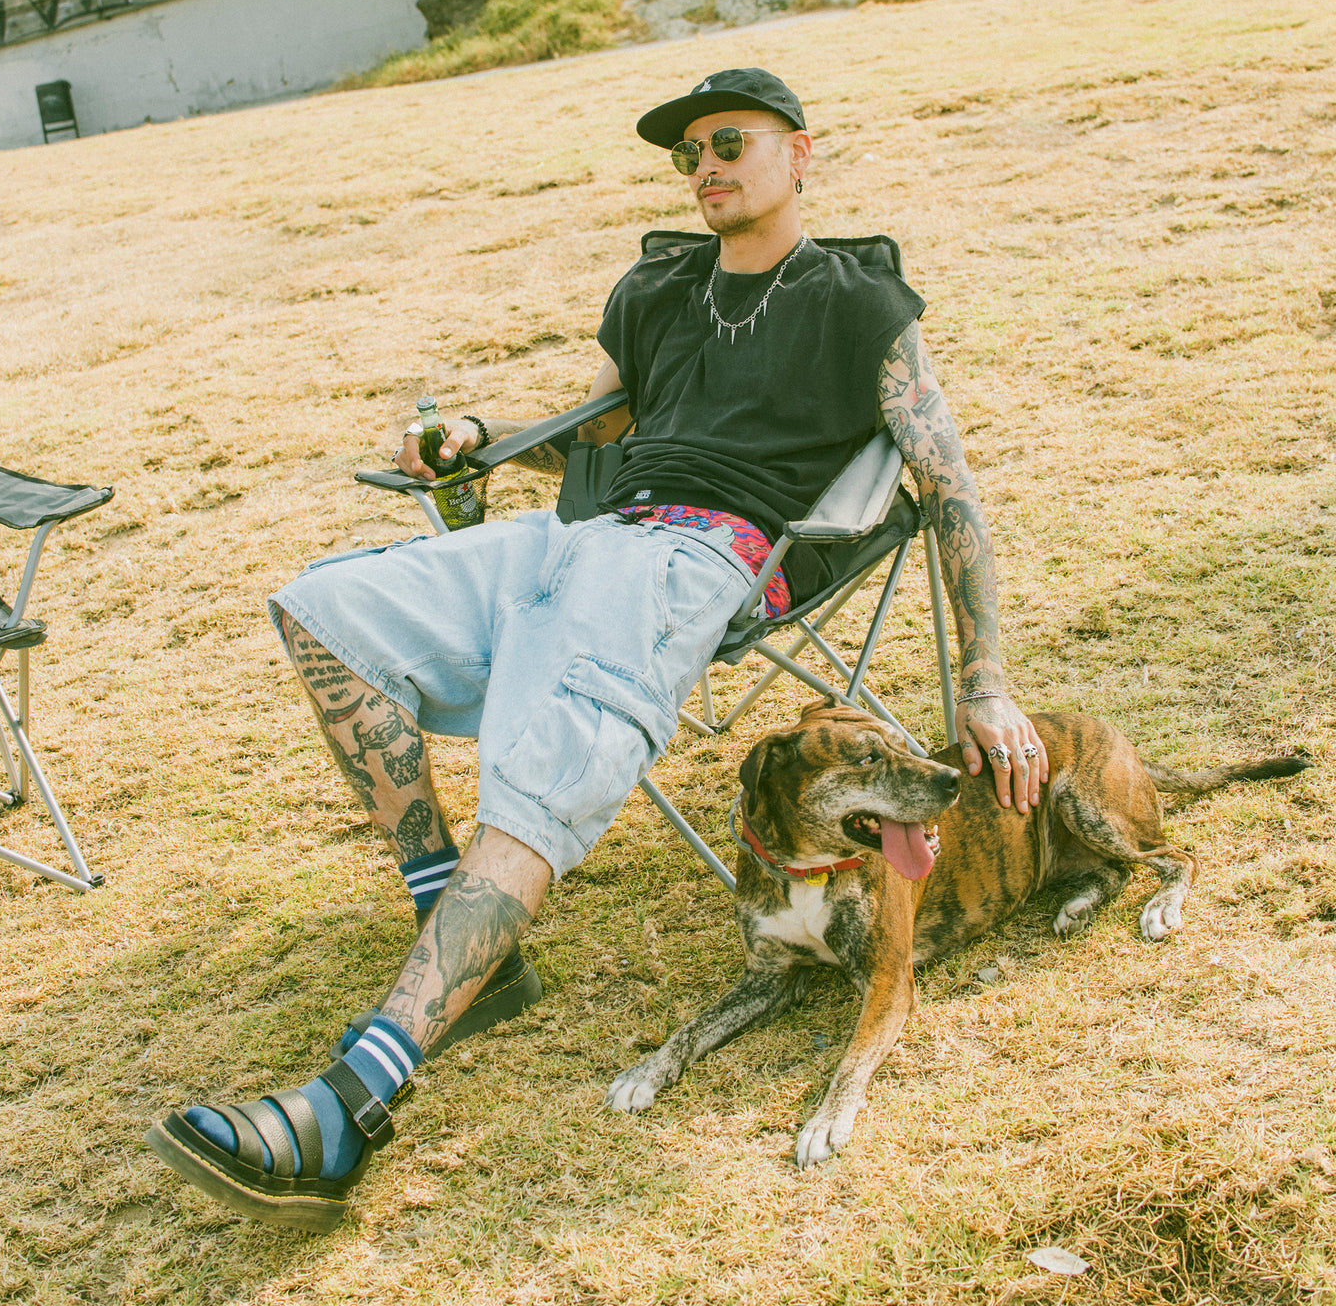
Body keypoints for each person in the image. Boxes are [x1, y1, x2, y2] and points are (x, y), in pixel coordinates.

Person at [145, 68, 1049, 1231]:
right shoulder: (654, 293)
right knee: (323, 610)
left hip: (687, 566)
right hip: (581, 535)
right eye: (688, 154)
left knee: (538, 775)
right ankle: (462, 937)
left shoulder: (857, 301)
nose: (705, 165)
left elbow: (951, 488)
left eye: (729, 142)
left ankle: (349, 1101)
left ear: (798, 153)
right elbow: (591, 446)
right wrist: (479, 436)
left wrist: (982, 679)